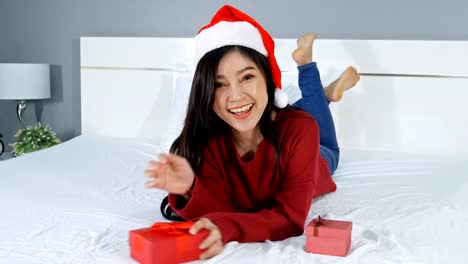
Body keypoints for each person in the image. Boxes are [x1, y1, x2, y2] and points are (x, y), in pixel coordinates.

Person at [144, 5, 359, 260]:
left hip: (319, 160)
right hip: (271, 117)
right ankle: (324, 94)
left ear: (268, 79)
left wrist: (228, 226)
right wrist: (191, 188)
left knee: (322, 137)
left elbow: (288, 219)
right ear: (207, 94)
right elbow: (222, 212)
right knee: (295, 112)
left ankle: (308, 69)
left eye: (247, 77)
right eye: (219, 84)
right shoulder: (207, 140)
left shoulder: (300, 130)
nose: (234, 95)